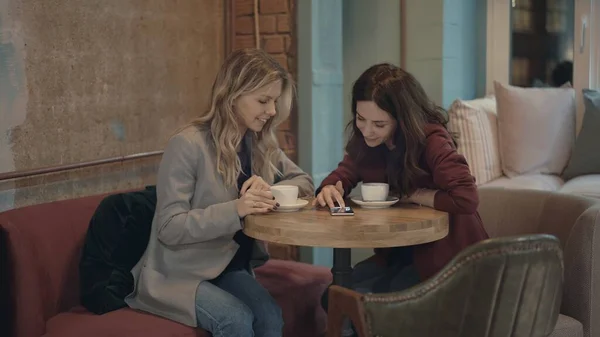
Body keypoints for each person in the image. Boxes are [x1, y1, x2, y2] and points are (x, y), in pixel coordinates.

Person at [125, 48, 314, 337]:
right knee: (234, 319)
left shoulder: (258, 143)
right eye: (263, 100)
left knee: (270, 318)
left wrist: (270, 192)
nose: (273, 111)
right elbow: (168, 227)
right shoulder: (187, 145)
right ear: (233, 95)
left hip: (229, 268)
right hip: (179, 274)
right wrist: (237, 209)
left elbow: (303, 181)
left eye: (274, 101)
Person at [314, 63, 489, 309]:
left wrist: (416, 195)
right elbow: (345, 172)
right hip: (398, 253)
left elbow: (466, 198)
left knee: (362, 305)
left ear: (402, 119)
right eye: (361, 119)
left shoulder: (432, 141)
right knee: (334, 297)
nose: (367, 131)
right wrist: (330, 187)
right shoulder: (366, 142)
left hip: (448, 258)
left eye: (379, 124)